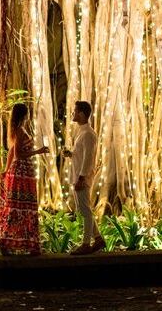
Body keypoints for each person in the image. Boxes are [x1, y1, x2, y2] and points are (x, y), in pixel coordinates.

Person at [0, 103, 49, 255]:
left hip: (23, 173)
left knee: (23, 207)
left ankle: (26, 244)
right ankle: (8, 243)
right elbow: (18, 154)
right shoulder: (19, 131)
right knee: (20, 207)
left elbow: (11, 152)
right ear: (25, 115)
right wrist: (38, 151)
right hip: (21, 173)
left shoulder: (19, 130)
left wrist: (6, 170)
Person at [62, 100, 103, 255]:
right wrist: (71, 154)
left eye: (75, 111)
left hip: (82, 178)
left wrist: (81, 178)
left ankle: (86, 244)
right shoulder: (82, 133)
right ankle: (98, 239)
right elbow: (82, 155)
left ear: (82, 114)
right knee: (83, 209)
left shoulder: (88, 134)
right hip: (78, 175)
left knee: (85, 210)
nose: (73, 113)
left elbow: (88, 158)